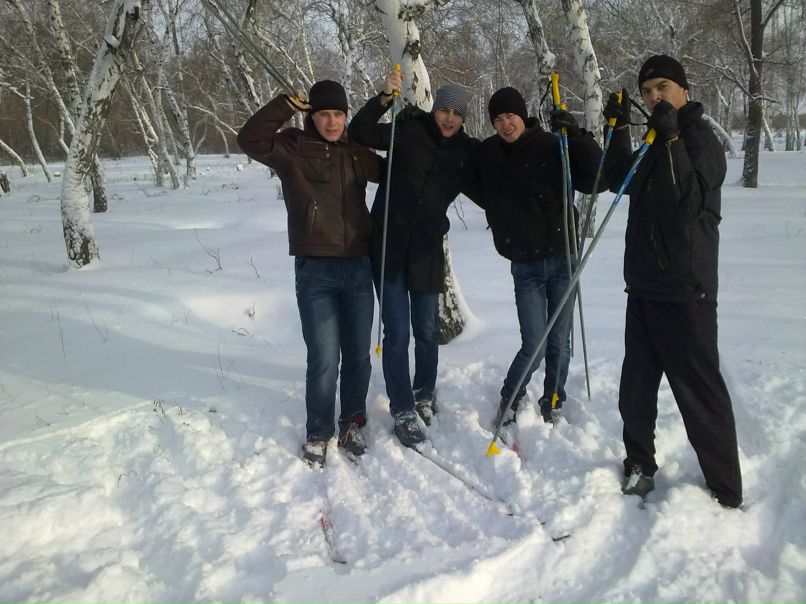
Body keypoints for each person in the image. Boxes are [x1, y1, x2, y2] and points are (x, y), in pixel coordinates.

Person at [603, 55, 742, 507]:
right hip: (643, 286)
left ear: (683, 89)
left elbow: (684, 200)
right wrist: (619, 131)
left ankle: (725, 488)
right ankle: (639, 463)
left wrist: (671, 137)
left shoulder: (700, 139)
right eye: (646, 91)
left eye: (662, 86)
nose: (654, 96)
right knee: (636, 389)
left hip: (686, 291)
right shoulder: (653, 140)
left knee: (699, 393)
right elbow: (617, 182)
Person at [237, 80, 383, 467]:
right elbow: (249, 140)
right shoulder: (293, 149)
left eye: (338, 114)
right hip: (316, 270)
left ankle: (352, 423)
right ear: (311, 116)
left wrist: (387, 107)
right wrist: (284, 104)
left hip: (357, 267)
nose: (332, 122)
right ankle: (318, 431)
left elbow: (392, 171)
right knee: (323, 356)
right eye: (323, 114)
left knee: (357, 355)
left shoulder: (355, 152)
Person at [347, 69, 476, 447]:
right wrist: (385, 98)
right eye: (444, 110)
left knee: (426, 331)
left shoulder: (466, 152)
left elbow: (498, 173)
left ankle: (424, 393)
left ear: (464, 119)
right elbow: (359, 133)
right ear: (435, 110)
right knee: (398, 333)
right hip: (388, 247)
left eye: (457, 113)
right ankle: (402, 408)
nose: (449, 118)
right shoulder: (407, 132)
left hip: (426, 253)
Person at [463, 87, 606, 427]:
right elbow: (471, 180)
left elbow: (598, 179)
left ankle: (553, 396)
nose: (505, 124)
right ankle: (510, 397)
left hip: (563, 258)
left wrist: (578, 135)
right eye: (497, 120)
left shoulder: (553, 144)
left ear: (523, 116)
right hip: (524, 265)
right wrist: (499, 214)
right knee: (535, 343)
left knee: (559, 341)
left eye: (510, 116)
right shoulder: (489, 153)